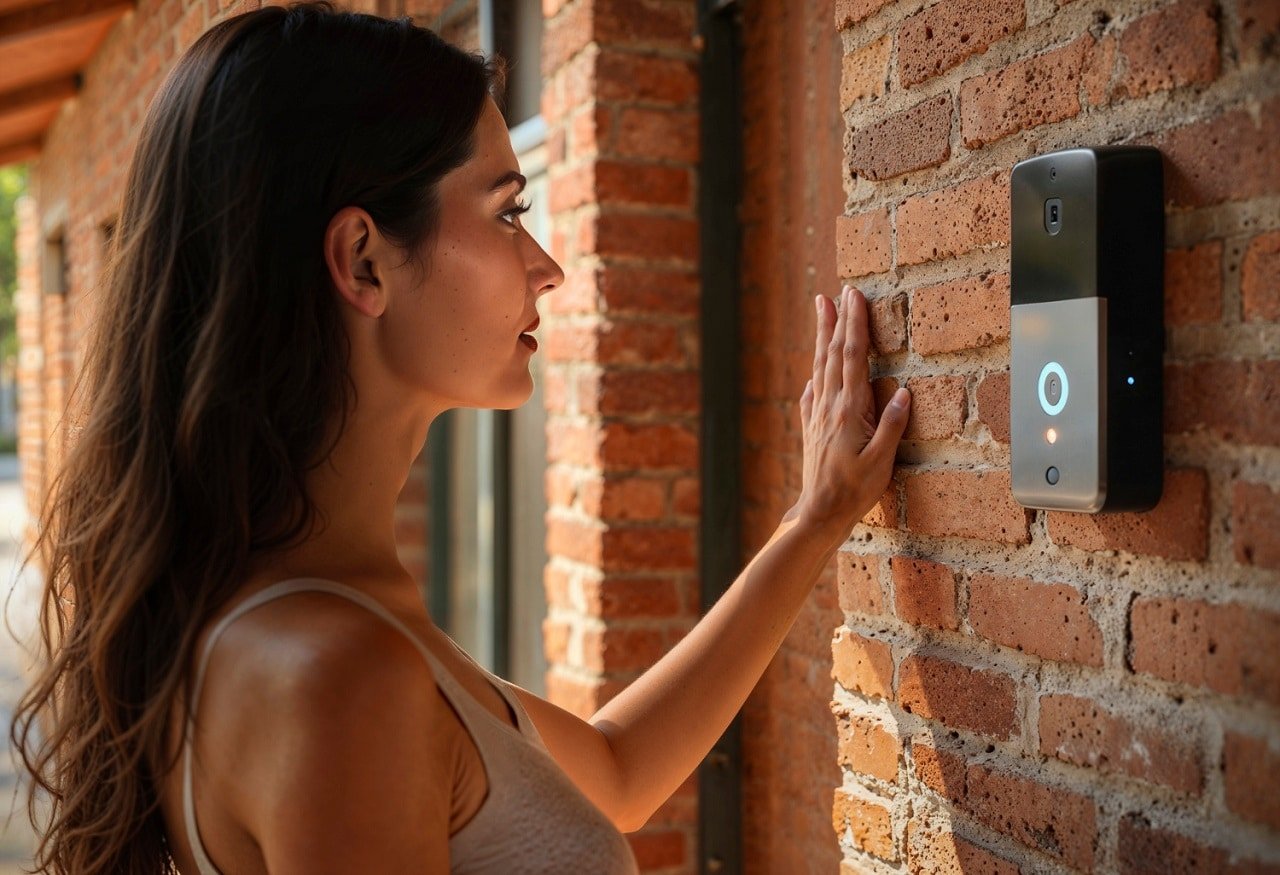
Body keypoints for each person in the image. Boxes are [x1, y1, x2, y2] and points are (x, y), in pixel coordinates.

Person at [9, 2, 912, 873]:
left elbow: (616, 772)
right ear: (364, 260)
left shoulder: (327, 618)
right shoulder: (339, 675)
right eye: (507, 211)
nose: (548, 268)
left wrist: (815, 519)